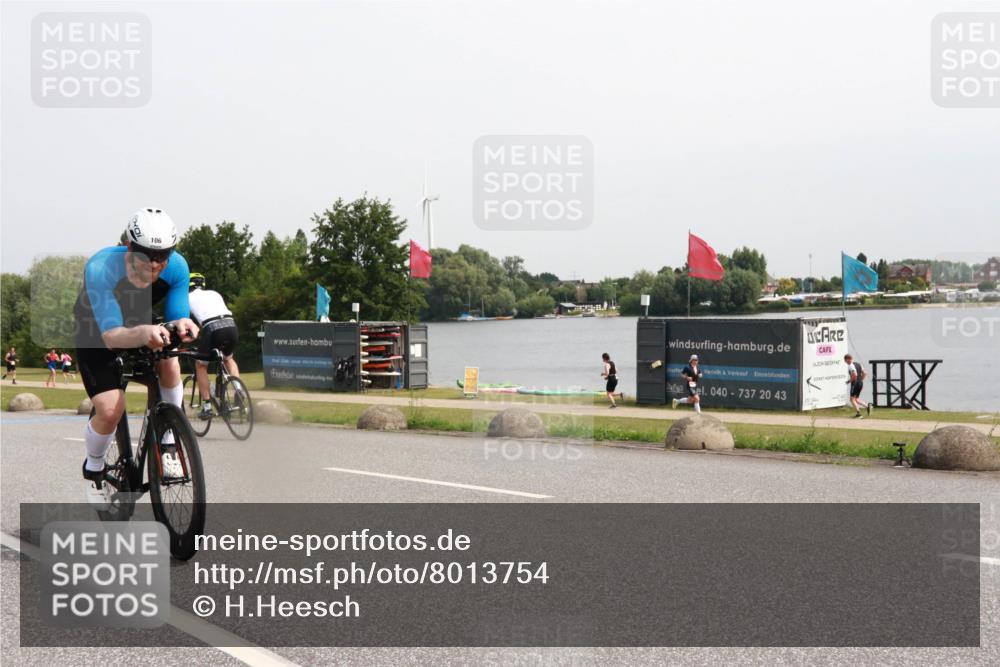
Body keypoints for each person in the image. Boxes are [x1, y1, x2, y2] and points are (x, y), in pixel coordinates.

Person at [74, 208, 198, 508]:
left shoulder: (177, 267)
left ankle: (168, 442)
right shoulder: (101, 267)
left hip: (141, 319)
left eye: (163, 255)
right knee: (111, 408)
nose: (155, 264)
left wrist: (182, 324)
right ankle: (94, 468)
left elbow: (177, 313)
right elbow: (111, 337)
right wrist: (144, 332)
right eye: (146, 255)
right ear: (129, 248)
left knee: (170, 361)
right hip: (97, 327)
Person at [187, 273, 241, 419]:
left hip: (212, 328)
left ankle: (207, 407)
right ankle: (239, 390)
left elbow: (186, 322)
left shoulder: (186, 298)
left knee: (201, 365)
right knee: (228, 359)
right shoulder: (214, 293)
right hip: (231, 324)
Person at [844, 353, 872, 418]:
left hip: (855, 383)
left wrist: (849, 381)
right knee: (856, 399)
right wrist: (861, 380)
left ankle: (858, 414)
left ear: (847, 359)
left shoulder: (851, 365)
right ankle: (868, 407)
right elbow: (865, 373)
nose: (845, 362)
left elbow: (854, 375)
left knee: (851, 399)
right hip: (860, 383)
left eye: (845, 361)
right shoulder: (858, 364)